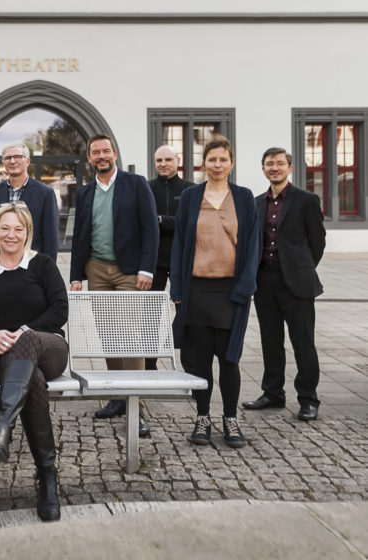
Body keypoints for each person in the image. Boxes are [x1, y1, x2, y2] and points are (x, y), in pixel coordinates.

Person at [0, 202, 68, 522]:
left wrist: (24, 331)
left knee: (29, 341)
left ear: (27, 233)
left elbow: (59, 310)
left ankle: (2, 427)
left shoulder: (43, 265)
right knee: (32, 380)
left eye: (18, 229)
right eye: (5, 228)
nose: (11, 234)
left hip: (48, 348)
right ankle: (47, 479)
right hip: (1, 358)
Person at [171, 135, 260, 448]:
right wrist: (178, 290)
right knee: (200, 360)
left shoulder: (245, 198)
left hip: (230, 291)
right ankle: (203, 417)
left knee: (229, 360)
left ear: (231, 163)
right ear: (203, 164)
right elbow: (180, 243)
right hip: (197, 290)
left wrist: (245, 288)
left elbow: (253, 248)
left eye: (223, 160)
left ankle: (230, 419)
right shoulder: (192, 197)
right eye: (212, 160)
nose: (218, 165)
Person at [70, 133, 159, 436]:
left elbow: (150, 227)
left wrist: (147, 269)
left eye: (106, 151)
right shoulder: (84, 193)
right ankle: (118, 396)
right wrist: (76, 276)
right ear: (89, 159)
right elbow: (80, 234)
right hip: (96, 269)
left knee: (129, 333)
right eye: (96, 152)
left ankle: (138, 403)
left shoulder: (136, 184)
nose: (101, 156)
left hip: (128, 271)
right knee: (107, 333)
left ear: (115, 154)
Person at [242, 147, 326, 421]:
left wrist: (301, 267)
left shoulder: (306, 200)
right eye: (269, 164)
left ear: (290, 168)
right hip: (265, 279)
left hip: (297, 282)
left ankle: (308, 399)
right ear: (264, 169)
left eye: (279, 163)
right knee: (270, 340)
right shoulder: (256, 203)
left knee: (303, 341)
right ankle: (273, 393)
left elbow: (317, 242)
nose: (274, 168)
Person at [147, 145, 195, 374]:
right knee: (150, 317)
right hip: (154, 261)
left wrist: (161, 221)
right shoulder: (147, 188)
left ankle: (191, 368)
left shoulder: (190, 190)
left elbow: (190, 224)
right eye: (159, 160)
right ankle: (149, 367)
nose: (163, 164)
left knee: (186, 315)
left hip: (182, 261)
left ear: (178, 161)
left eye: (167, 159)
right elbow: (143, 223)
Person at [0, 142, 59, 261]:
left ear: (28, 161)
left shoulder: (45, 194)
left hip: (32, 266)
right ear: (3, 162)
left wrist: (47, 272)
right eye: (8, 158)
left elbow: (51, 239)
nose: (13, 161)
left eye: (18, 157)